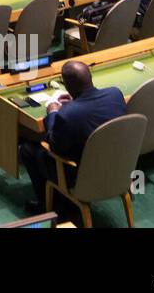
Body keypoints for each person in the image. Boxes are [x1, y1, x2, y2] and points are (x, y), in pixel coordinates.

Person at [17, 61, 126, 214]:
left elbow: (54, 145)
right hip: (119, 169)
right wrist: (75, 102)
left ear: (67, 86)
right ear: (90, 77)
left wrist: (54, 112)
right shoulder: (115, 94)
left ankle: (47, 205)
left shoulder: (68, 115)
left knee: (28, 150)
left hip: (82, 177)